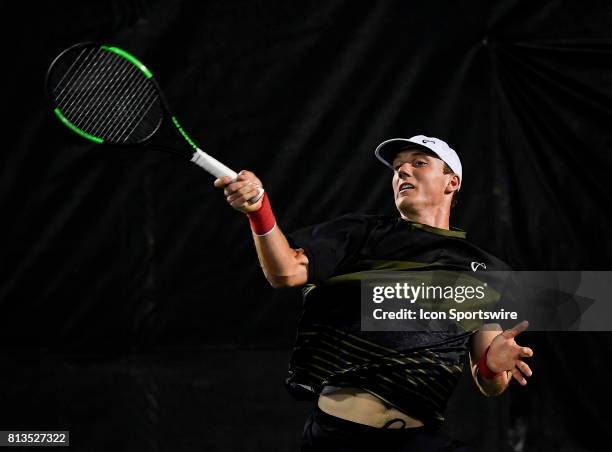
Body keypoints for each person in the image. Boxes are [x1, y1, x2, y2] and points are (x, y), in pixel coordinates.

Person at [214, 135, 534, 451]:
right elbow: (286, 271)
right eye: (397, 168)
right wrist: (259, 210)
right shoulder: (362, 235)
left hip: (417, 439)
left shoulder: (484, 270)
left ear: (451, 182)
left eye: (419, 163)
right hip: (342, 436)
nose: (402, 172)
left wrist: (493, 364)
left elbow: (491, 383)